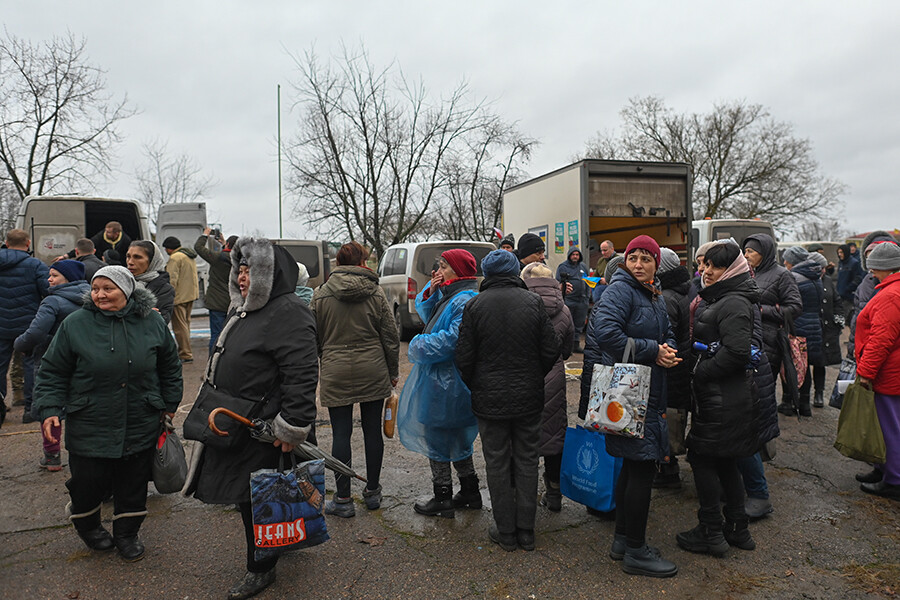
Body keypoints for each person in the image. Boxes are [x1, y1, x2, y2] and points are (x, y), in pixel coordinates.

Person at [187, 238, 318, 599]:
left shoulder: (288, 311)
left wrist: (291, 426)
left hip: (264, 427)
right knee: (250, 495)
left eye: (250, 271)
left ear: (270, 274)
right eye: (239, 270)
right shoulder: (244, 309)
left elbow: (303, 373)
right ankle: (276, 547)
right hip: (240, 420)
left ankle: (261, 568)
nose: (242, 278)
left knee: (257, 497)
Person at [32, 266, 182, 561]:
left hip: (140, 418)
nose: (100, 294)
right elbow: (52, 371)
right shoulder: (76, 323)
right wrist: (50, 408)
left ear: (126, 290)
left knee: (133, 482)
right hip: (90, 420)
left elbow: (170, 366)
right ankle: (88, 527)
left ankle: (127, 533)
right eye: (96, 288)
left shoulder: (151, 321)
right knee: (88, 482)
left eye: (108, 288)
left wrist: (169, 404)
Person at [456, 249, 560, 552]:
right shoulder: (533, 302)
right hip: (528, 396)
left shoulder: (474, 306)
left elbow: (463, 357)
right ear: (514, 271)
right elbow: (550, 350)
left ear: (486, 274)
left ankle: (505, 532)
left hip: (489, 400)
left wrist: (478, 384)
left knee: (497, 461)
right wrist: (533, 376)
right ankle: (526, 531)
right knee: (528, 459)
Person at [589, 234, 680, 577]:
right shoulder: (620, 289)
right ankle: (637, 552)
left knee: (633, 466)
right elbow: (606, 334)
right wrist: (652, 350)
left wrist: (667, 348)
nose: (639, 264)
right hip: (629, 394)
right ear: (625, 262)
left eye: (646, 258)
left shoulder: (652, 292)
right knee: (642, 469)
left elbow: (667, 330)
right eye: (633, 258)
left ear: (657, 264)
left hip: (648, 389)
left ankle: (624, 540)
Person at [677, 242, 760, 556]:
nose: (706, 272)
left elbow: (737, 352)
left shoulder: (733, 301)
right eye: (705, 265)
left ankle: (710, 531)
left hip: (723, 397)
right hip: (723, 395)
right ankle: (737, 529)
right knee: (725, 460)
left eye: (715, 267)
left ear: (733, 269)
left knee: (702, 458)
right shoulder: (722, 297)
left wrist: (701, 372)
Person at [311, 241, 399, 518]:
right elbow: (390, 336)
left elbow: (311, 336)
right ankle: (372, 492)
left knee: (341, 433)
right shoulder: (375, 293)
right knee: (373, 431)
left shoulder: (321, 294)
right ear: (362, 263)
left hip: (336, 369)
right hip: (373, 368)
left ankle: (343, 499)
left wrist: (320, 361)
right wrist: (393, 371)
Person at [398, 249, 482, 518]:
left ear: (458, 271)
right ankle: (470, 491)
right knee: (456, 438)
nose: (438, 271)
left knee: (438, 436)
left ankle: (443, 496)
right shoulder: (453, 296)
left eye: (444, 267)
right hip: (446, 380)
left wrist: (418, 344)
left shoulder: (463, 300)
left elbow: (451, 340)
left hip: (447, 381)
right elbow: (428, 315)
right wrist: (432, 290)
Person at [14, 260, 90, 471]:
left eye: (54, 275)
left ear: (68, 278)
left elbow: (36, 332)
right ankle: (83, 452)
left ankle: (52, 454)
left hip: (52, 359)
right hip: (84, 360)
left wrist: (19, 344)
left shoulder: (52, 301)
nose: (49, 279)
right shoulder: (91, 297)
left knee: (49, 404)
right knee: (80, 405)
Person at [522, 262, 573, 512]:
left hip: (525, 379)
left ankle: (526, 497)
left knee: (525, 441)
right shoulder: (564, 310)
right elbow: (567, 350)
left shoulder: (520, 306)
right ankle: (554, 494)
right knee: (554, 438)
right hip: (554, 379)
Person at [854, 241, 900, 500]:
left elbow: (881, 340)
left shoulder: (891, 295)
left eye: (873, 268)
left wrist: (866, 372)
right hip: (891, 371)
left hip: (888, 374)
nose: (871, 273)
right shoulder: (891, 290)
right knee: (885, 425)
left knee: (888, 427)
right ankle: (882, 469)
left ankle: (894, 479)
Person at [0, 229, 50, 424]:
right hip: (27, 324)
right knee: (31, 365)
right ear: (28, 243)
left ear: (6, 242)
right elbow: (48, 290)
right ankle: (30, 409)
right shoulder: (36, 264)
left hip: (1, 324)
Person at [654, 248, 692, 489]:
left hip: (673, 368)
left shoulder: (667, 296)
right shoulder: (684, 289)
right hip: (684, 365)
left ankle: (667, 470)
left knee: (669, 417)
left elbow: (665, 337)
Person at [780, 247, 824, 417]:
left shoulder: (794, 278)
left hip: (797, 326)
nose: (784, 263)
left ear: (794, 261)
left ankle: (789, 402)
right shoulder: (815, 276)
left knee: (792, 365)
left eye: (787, 260)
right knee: (805, 366)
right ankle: (805, 405)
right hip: (814, 325)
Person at [807, 251, 843, 406]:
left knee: (820, 362)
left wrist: (838, 320)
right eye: (819, 267)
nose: (823, 270)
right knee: (805, 363)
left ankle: (819, 394)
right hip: (809, 327)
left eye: (824, 267)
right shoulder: (804, 280)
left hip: (826, 329)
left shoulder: (828, 280)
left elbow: (837, 302)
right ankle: (803, 396)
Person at [194, 230, 237, 353]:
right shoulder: (239, 261)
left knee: (216, 335)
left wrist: (205, 234)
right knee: (230, 335)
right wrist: (224, 244)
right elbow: (230, 254)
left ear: (228, 245)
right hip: (232, 303)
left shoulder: (217, 258)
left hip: (216, 302)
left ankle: (212, 362)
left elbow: (198, 247)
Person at [162, 236, 200, 363]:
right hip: (190, 294)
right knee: (186, 325)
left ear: (169, 248)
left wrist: (168, 296)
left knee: (179, 327)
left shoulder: (175, 258)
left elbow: (172, 279)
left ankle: (185, 354)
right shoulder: (188, 255)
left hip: (179, 297)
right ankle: (186, 351)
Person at [126, 240, 175, 324]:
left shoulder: (164, 289)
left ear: (152, 261)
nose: (130, 262)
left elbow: (160, 323)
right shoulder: (122, 282)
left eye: (137, 257)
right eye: (128, 256)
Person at [556, 247, 589, 352]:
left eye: (577, 255)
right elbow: (558, 283)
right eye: (573, 254)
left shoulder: (583, 267)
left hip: (582, 301)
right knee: (567, 324)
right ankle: (566, 347)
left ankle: (575, 345)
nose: (575, 256)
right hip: (569, 300)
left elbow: (588, 281)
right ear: (569, 255)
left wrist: (587, 297)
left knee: (579, 324)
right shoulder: (563, 267)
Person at [62, 221, 132, 261]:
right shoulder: (100, 237)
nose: (106, 233)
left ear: (116, 234)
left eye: (108, 232)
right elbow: (86, 247)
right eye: (106, 231)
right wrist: (67, 255)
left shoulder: (126, 240)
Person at [836, 243, 865, 319]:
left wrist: (848, 288)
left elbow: (858, 278)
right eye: (838, 252)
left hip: (849, 296)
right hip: (840, 295)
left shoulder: (854, 263)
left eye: (841, 252)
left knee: (844, 318)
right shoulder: (840, 263)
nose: (839, 254)